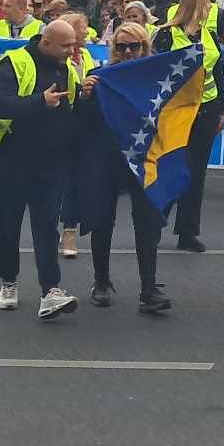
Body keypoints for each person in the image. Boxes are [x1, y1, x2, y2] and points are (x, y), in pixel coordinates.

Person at [0, 19, 83, 320]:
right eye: (66, 45)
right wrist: (41, 101)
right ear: (46, 42)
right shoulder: (14, 63)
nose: (71, 50)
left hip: (51, 163)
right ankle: (8, 281)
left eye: (73, 44)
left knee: (47, 227)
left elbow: (70, 111)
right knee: (4, 226)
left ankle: (51, 290)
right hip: (11, 159)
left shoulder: (66, 67)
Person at [76, 23, 173, 315]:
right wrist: (84, 96)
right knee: (101, 221)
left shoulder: (158, 79)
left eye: (134, 47)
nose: (128, 52)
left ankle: (148, 288)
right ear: (113, 49)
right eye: (121, 47)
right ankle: (101, 281)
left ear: (145, 47)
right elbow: (82, 122)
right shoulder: (99, 77)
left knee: (147, 223)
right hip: (107, 159)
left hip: (145, 160)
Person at [152, 0, 224, 254]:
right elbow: (156, 72)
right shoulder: (166, 35)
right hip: (177, 110)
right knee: (173, 168)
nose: (210, 10)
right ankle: (155, 222)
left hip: (206, 108)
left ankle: (187, 231)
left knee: (197, 173)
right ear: (195, 5)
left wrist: (223, 108)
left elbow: (219, 72)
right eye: (207, 4)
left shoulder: (210, 35)